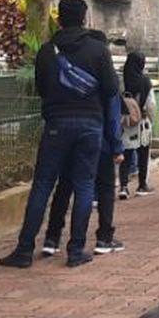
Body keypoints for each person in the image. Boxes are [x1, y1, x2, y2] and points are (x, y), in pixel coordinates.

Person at [0, 0, 120, 269]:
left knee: (43, 184)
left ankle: (24, 249)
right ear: (84, 18)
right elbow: (112, 89)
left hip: (56, 124)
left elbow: (41, 88)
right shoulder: (98, 50)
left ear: (59, 19)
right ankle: (76, 250)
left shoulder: (47, 50)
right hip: (90, 125)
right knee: (84, 186)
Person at [42, 84, 125, 256]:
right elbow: (113, 117)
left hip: (70, 140)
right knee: (104, 189)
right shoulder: (106, 80)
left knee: (65, 186)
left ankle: (52, 237)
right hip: (101, 141)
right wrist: (117, 146)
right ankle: (103, 237)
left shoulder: (72, 78)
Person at [120, 51, 155, 199]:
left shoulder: (121, 81)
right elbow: (151, 104)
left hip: (126, 123)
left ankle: (123, 186)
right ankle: (142, 185)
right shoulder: (145, 81)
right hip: (142, 124)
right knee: (143, 155)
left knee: (126, 155)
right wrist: (150, 120)